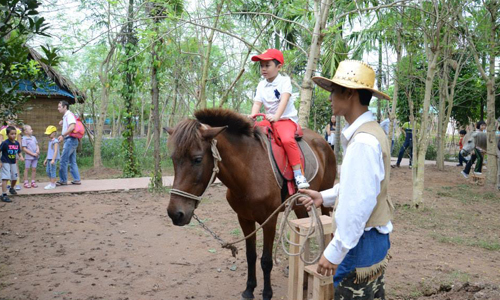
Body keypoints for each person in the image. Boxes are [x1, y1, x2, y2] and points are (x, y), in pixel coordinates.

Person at [299, 60, 394, 299]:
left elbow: (357, 206)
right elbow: (360, 188)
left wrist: (335, 251)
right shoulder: (372, 132)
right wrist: (324, 196)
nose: (330, 98)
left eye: (333, 91)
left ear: (349, 93)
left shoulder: (362, 142)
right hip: (373, 239)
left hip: (358, 245)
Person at [250, 48, 309, 189]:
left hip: (285, 120)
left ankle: (298, 173)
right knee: (251, 135)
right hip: (268, 120)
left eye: (267, 65)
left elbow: (284, 99)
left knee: (287, 140)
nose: (263, 69)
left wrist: (276, 117)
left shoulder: (284, 81)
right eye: (261, 66)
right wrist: (252, 116)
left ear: (279, 67)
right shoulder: (261, 84)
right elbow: (257, 102)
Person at [57, 100, 81, 186]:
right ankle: (77, 179)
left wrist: (62, 136)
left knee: (63, 160)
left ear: (65, 107)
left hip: (70, 140)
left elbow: (72, 127)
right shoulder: (66, 116)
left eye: (59, 106)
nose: (58, 108)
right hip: (71, 140)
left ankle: (63, 180)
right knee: (72, 161)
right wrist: (63, 122)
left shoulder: (69, 115)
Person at [1, 126, 24, 202]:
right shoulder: (5, 143)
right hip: (5, 162)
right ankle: (4, 194)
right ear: (7, 135)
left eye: (15, 134)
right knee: (6, 177)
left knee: (14, 177)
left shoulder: (17, 143)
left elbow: (19, 151)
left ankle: (11, 188)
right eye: (12, 134)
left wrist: (21, 156)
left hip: (13, 162)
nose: (14, 135)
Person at [43, 126, 60, 190]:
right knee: (48, 171)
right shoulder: (50, 141)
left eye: (49, 134)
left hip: (53, 159)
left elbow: (55, 151)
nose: (48, 135)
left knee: (52, 171)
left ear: (54, 133)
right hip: (49, 158)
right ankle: (51, 183)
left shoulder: (55, 141)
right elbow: (49, 152)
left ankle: (52, 185)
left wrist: (53, 159)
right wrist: (46, 159)